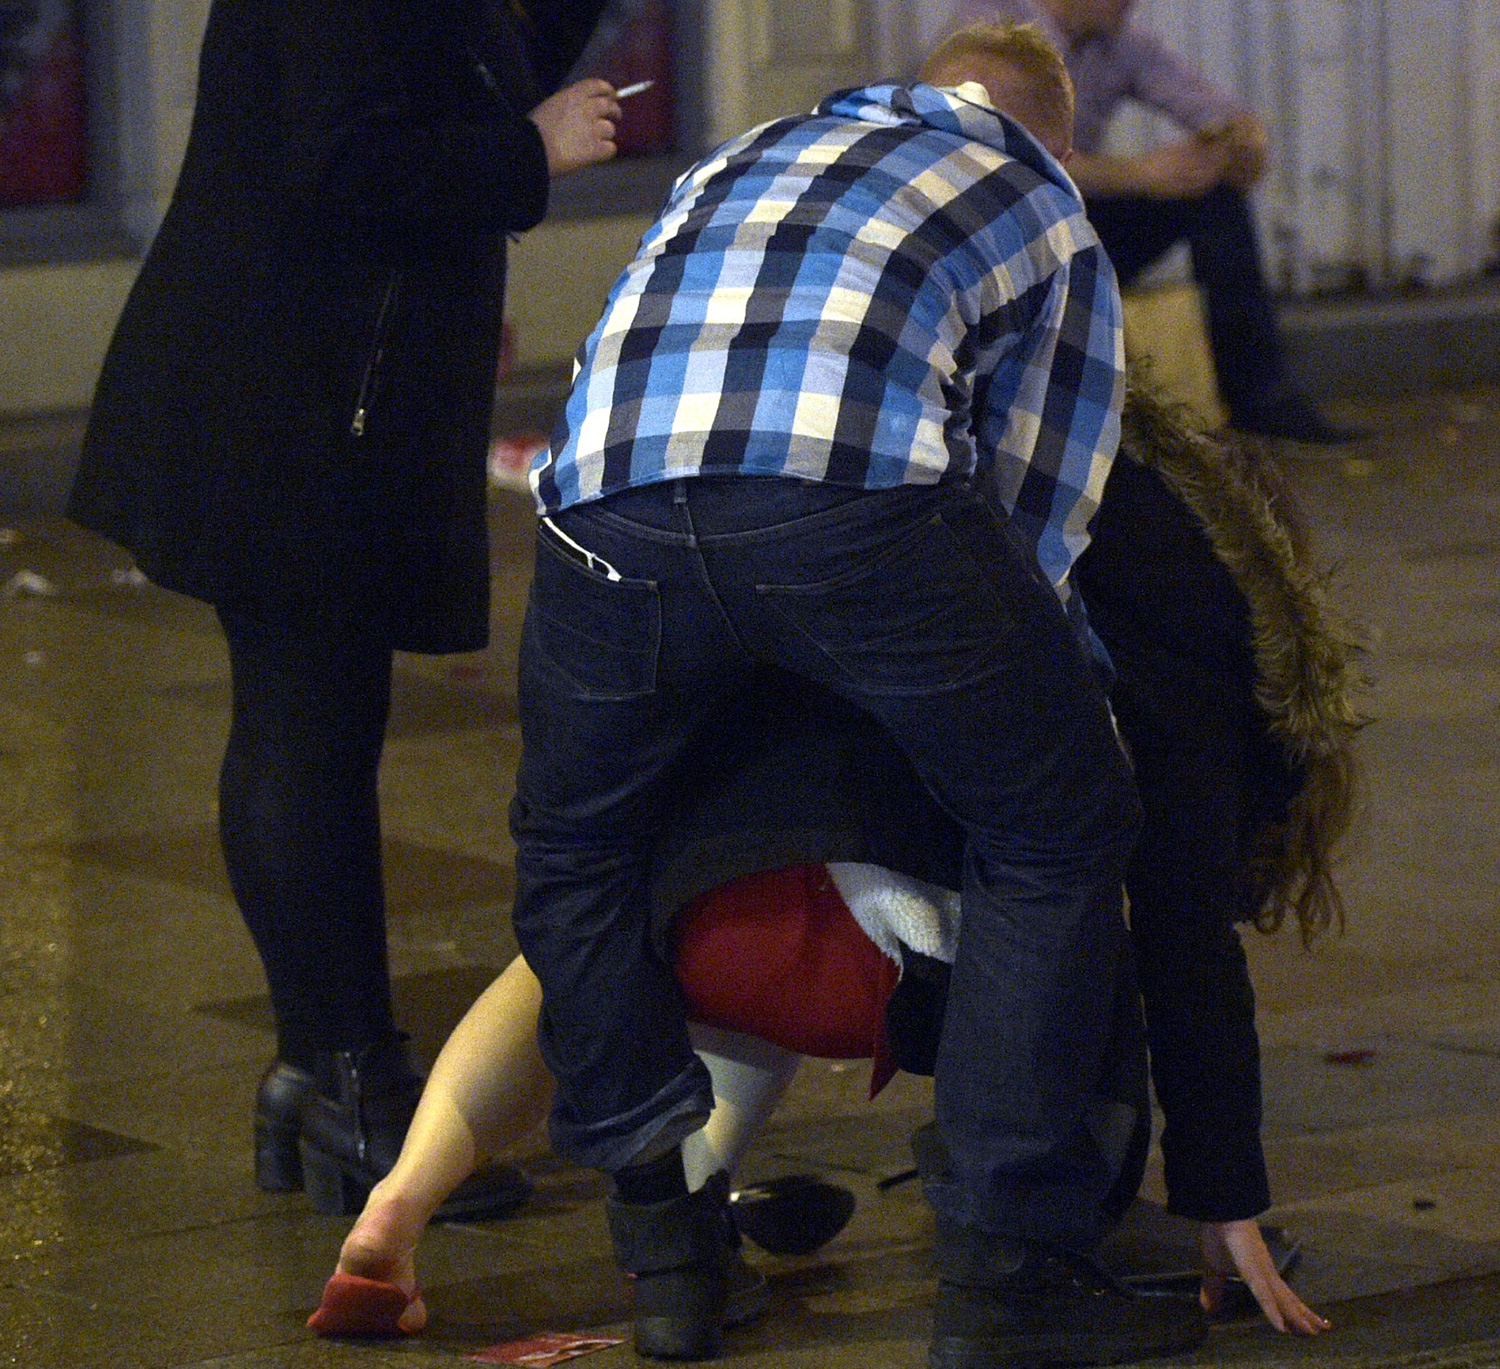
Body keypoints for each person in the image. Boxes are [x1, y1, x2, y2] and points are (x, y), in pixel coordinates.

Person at [301, 376, 1359, 1345]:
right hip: (894, 952)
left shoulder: (890, 470)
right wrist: (1224, 1191)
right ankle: (1023, 1247)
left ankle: (413, 1196)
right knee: (1075, 926)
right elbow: (1184, 927)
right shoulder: (1179, 610)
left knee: (586, 966)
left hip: (711, 901)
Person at [501, 20, 1220, 1363]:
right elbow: (1036, 499)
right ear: (1053, 135)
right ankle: (1006, 1272)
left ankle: (668, 1253)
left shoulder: (746, 153)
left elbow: (630, 340)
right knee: (1054, 825)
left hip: (603, 507)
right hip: (848, 497)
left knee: (573, 843)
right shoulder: (1041, 198)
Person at [65, 0, 620, 1218]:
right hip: (292, 395)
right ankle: (349, 1088)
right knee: (305, 731)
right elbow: (338, 156)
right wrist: (528, 156)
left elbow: (471, 74)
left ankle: (317, 1079)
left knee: (309, 722)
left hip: (317, 382)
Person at [944, 0, 1362, 445]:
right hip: (986, 235)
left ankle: (1261, 399)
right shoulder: (990, 31)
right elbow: (1004, 159)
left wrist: (1236, 144)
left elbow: (1217, 109)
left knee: (1214, 199)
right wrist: (1139, 174)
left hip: (1068, 220)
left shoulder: (1121, 41)